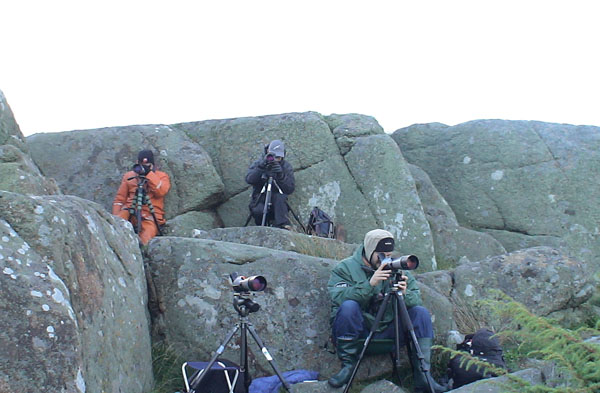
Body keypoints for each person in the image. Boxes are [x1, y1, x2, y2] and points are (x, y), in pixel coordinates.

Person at [327, 229, 448, 392]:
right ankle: (347, 368)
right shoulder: (345, 268)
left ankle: (423, 378)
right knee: (349, 306)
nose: (385, 259)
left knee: (420, 312)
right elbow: (338, 298)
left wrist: (404, 294)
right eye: (381, 254)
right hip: (360, 332)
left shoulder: (397, 270)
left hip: (388, 332)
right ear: (369, 251)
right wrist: (370, 284)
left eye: (389, 254)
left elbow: (417, 300)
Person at [112, 150, 171, 245]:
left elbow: (161, 191)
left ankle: (140, 255)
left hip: (150, 216)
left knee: (146, 237)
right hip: (129, 210)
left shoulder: (161, 176)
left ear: (153, 165)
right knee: (115, 226)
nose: (143, 168)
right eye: (141, 165)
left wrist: (149, 174)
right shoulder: (129, 176)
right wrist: (114, 217)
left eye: (147, 165)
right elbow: (119, 199)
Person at [245, 140, 295, 229]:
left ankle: (283, 226)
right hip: (260, 197)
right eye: (273, 156)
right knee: (258, 210)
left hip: (278, 201)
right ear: (267, 152)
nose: (275, 159)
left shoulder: (286, 166)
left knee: (280, 197)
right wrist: (261, 168)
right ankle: (261, 228)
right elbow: (249, 179)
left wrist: (281, 175)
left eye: (278, 157)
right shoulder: (259, 163)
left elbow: (290, 189)